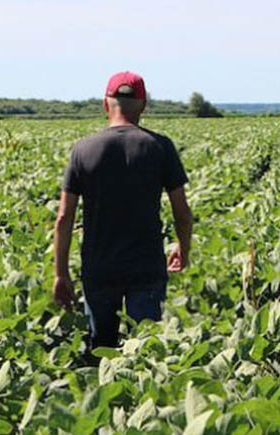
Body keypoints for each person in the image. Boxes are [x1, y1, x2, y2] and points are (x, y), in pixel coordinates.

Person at [52, 71, 193, 349]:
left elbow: (64, 217)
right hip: (146, 268)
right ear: (143, 105)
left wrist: (61, 273)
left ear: (106, 104)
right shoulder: (160, 147)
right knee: (146, 351)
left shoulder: (83, 149)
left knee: (101, 351)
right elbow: (182, 212)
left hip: (99, 267)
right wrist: (183, 248)